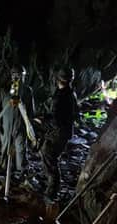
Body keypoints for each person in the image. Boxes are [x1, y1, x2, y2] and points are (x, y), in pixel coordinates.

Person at [0, 65, 36, 179]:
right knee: (5, 146)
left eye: (20, 75)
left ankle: (21, 169)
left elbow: (31, 111)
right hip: (6, 125)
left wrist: (30, 126)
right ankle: (4, 166)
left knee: (21, 148)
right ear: (11, 76)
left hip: (20, 125)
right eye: (16, 75)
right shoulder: (3, 91)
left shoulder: (27, 91)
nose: (18, 78)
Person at [41, 67, 78, 200]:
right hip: (65, 132)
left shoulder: (60, 97)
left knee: (48, 156)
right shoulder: (71, 93)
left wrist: (43, 122)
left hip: (58, 133)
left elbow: (56, 120)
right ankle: (51, 187)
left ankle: (51, 192)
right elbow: (75, 114)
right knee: (49, 156)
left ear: (57, 79)